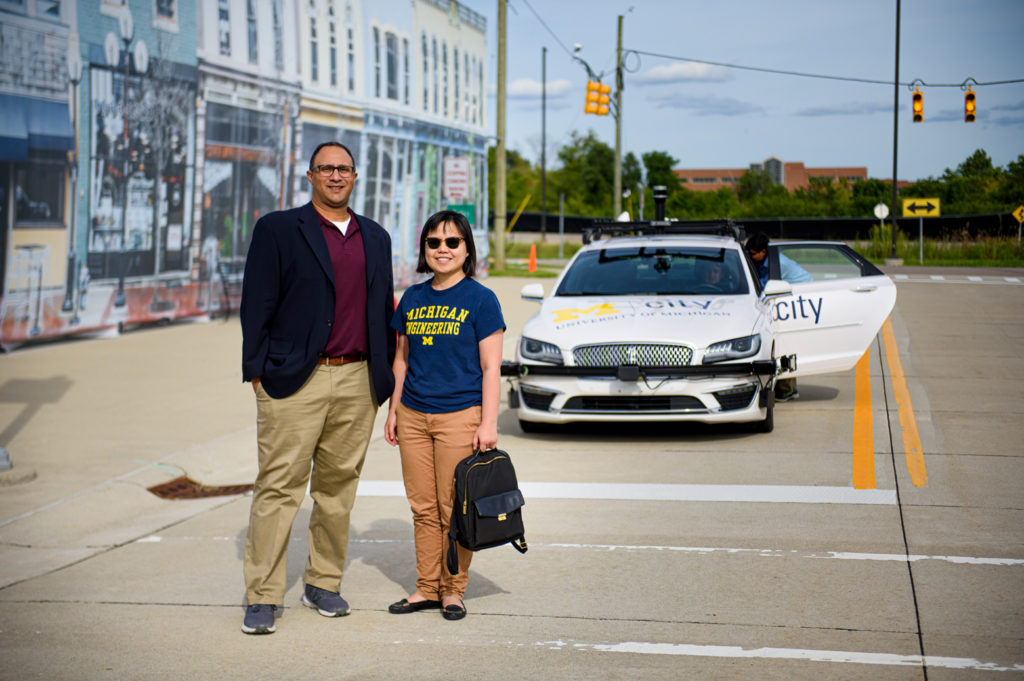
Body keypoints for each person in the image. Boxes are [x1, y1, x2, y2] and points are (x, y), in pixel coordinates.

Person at [238, 141, 396, 635]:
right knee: (279, 488)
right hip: (294, 381)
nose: (334, 176)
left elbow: (381, 308)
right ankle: (262, 595)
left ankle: (322, 582)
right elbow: (256, 304)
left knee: (337, 491)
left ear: (355, 176)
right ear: (309, 175)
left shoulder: (376, 236)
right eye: (325, 168)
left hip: (356, 378)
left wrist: (383, 375)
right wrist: (259, 372)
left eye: (343, 169)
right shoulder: (279, 229)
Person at [383, 210, 505, 622]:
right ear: (424, 249)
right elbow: (401, 360)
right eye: (434, 242)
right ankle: (426, 587)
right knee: (422, 508)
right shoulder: (413, 298)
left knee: (454, 508)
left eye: (452, 242)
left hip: (460, 417)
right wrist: (394, 410)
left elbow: (492, 368)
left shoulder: (481, 299)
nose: (442, 249)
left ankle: (453, 590)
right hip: (414, 416)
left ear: (467, 248)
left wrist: (489, 423)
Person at [745, 232, 812, 402]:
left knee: (784, 344)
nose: (750, 257)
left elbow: (766, 287)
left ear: (763, 252)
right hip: (781, 301)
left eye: (752, 254)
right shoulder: (763, 261)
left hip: (795, 302)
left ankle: (786, 389)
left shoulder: (778, 264)